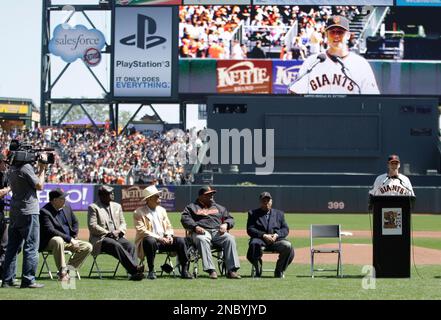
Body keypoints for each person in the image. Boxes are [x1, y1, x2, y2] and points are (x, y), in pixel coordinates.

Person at [289, 15, 379, 95]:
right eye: (332, 32)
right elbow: (296, 93)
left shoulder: (361, 64)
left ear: (348, 35)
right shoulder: (312, 62)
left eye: (340, 32)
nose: (336, 36)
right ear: (326, 35)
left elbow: (372, 98)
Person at [1, 151, 47, 288]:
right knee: (31, 246)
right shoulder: (26, 167)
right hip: (28, 211)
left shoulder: (12, 168)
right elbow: (40, 186)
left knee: (12, 247)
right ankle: (28, 280)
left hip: (15, 212)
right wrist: (42, 168)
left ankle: (7, 279)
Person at [181, 186, 241, 279]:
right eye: (208, 194)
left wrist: (226, 224)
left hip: (217, 232)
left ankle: (232, 270)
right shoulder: (192, 207)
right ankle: (211, 270)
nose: (211, 196)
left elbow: (230, 219)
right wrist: (195, 226)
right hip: (201, 232)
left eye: (212, 194)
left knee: (230, 238)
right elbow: (185, 219)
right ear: (200, 196)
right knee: (202, 239)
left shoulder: (219, 207)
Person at [134, 185, 193, 280]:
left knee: (181, 241)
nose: (159, 197)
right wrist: (159, 238)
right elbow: (141, 230)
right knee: (150, 241)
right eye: (157, 195)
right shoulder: (138, 212)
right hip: (149, 243)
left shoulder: (162, 210)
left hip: (164, 240)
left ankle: (184, 271)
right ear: (149, 199)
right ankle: (151, 271)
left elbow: (169, 226)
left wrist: (169, 235)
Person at [88, 185, 144, 281]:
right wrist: (109, 233)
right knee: (114, 244)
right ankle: (135, 269)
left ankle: (134, 272)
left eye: (112, 192)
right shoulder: (94, 207)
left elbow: (123, 223)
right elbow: (92, 226)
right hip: (101, 239)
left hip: (117, 236)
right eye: (110, 193)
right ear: (102, 196)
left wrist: (119, 231)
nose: (113, 194)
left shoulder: (117, 206)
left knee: (130, 245)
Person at [39, 188, 92, 281]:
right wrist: (70, 239)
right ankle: (62, 273)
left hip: (68, 240)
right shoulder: (44, 212)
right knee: (58, 240)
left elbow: (75, 222)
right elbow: (50, 230)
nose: (65, 200)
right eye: (62, 198)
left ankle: (68, 270)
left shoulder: (66, 206)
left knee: (88, 246)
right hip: (49, 242)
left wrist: (74, 236)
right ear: (54, 200)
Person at [246, 192, 295, 278]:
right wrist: (264, 235)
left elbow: (285, 229)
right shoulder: (252, 213)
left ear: (271, 202)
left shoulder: (279, 214)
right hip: (260, 240)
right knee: (254, 244)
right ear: (260, 202)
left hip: (276, 240)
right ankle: (258, 267)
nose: (266, 202)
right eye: (263, 200)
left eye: (268, 200)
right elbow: (250, 229)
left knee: (288, 246)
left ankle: (279, 270)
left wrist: (276, 235)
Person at [0, 153, 11, 280]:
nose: (5, 165)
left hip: (1, 214)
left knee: (4, 245)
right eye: (3, 163)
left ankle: (2, 274)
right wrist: (9, 188)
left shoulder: (4, 175)